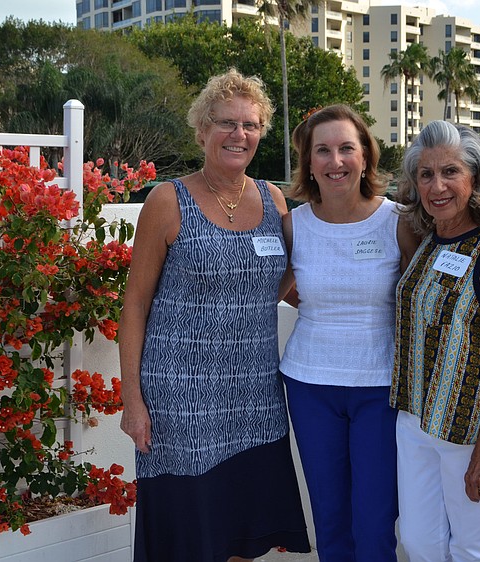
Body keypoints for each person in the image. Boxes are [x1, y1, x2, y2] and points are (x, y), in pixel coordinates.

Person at [118, 68, 311, 562]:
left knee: (244, 529)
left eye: (249, 125)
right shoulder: (167, 201)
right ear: (202, 130)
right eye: (226, 123)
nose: (238, 134)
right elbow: (135, 304)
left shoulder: (273, 200)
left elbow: (287, 281)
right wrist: (133, 402)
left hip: (254, 396)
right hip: (180, 400)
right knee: (190, 534)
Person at [278, 104, 419, 561]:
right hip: (309, 385)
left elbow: (422, 296)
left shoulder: (398, 220)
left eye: (345, 148)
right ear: (309, 163)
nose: (335, 161)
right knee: (331, 520)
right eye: (322, 150)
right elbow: (274, 288)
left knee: (375, 523)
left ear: (365, 157)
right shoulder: (293, 225)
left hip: (380, 389)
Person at [390, 120, 480, 562]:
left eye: (450, 172)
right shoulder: (429, 239)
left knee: (472, 547)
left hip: (474, 429)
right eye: (426, 174)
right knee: (418, 542)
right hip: (417, 421)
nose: (437, 186)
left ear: (476, 178)